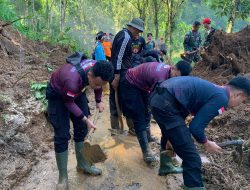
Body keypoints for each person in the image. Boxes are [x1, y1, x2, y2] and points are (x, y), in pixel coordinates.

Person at [149, 76, 250, 189]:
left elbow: (185, 107)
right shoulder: (221, 98)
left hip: (159, 98)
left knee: (173, 133)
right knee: (192, 159)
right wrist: (206, 143)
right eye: (243, 100)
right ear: (238, 94)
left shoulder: (216, 91)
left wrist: (170, 137)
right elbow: (195, 127)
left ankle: (166, 167)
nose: (240, 104)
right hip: (166, 104)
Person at [46, 57, 114, 190]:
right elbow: (68, 103)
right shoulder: (72, 80)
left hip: (76, 92)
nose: (99, 87)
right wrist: (86, 119)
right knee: (62, 135)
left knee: (82, 130)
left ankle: (82, 164)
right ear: (90, 75)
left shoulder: (97, 67)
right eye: (96, 84)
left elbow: (99, 84)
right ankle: (63, 178)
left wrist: (99, 100)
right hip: (59, 95)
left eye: (102, 84)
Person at [120, 60, 192, 165]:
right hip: (130, 82)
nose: (177, 80)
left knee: (147, 112)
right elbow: (156, 103)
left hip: (143, 85)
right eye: (176, 76)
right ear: (173, 68)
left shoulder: (170, 73)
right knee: (139, 115)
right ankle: (146, 152)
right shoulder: (161, 78)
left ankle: (147, 136)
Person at [109, 18, 144, 132]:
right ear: (133, 27)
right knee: (126, 99)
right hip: (121, 73)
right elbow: (118, 57)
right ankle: (131, 128)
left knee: (116, 98)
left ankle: (116, 128)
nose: (138, 34)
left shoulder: (121, 34)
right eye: (138, 31)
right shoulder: (126, 37)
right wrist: (117, 76)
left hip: (118, 72)